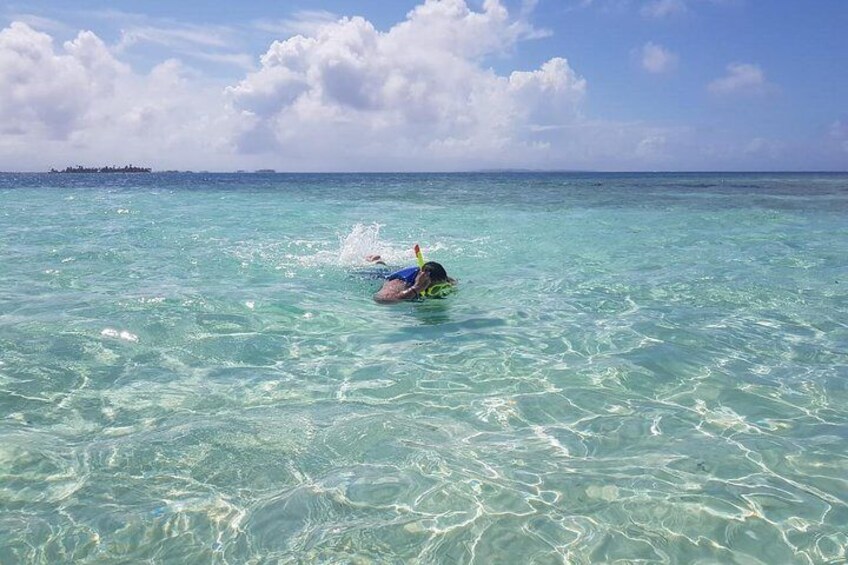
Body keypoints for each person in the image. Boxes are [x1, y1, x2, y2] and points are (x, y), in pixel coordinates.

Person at [367, 255, 456, 303]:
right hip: (381, 275)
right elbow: (381, 299)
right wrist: (416, 289)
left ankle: (380, 261)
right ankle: (374, 261)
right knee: (380, 268)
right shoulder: (400, 283)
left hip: (405, 270)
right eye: (434, 290)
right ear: (423, 284)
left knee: (387, 266)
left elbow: (452, 281)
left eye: (443, 287)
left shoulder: (437, 278)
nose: (439, 293)